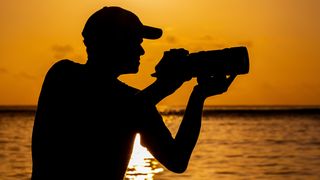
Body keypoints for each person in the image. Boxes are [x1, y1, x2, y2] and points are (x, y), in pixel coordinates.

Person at [31, 6, 236, 180]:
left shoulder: (136, 100)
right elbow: (105, 118)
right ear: (113, 42)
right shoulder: (64, 75)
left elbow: (177, 160)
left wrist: (198, 96)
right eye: (136, 42)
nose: (142, 51)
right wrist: (165, 85)